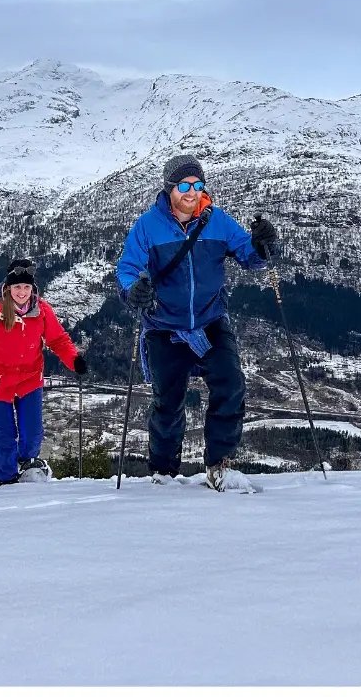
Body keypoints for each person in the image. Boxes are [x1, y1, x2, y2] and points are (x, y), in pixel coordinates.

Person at [115, 155, 278, 491]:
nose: (192, 192)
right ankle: (163, 472)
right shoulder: (148, 225)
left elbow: (250, 257)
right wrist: (135, 291)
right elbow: (128, 268)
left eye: (197, 184)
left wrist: (263, 246)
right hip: (164, 326)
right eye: (184, 185)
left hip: (210, 320)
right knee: (168, 402)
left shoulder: (216, 220)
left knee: (231, 384)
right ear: (169, 188)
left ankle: (219, 464)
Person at [0, 259, 81, 486]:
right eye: (17, 287)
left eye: (26, 287)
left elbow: (57, 339)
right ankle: (5, 480)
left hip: (29, 378)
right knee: (4, 434)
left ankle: (28, 464)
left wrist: (74, 360)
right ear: (8, 289)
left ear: (33, 289)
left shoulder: (42, 310)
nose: (22, 292)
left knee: (32, 431)